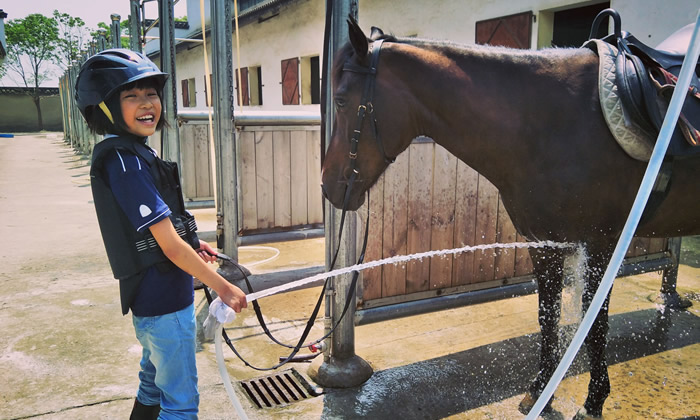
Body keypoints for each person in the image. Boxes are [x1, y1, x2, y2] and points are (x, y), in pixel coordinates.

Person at [74, 49, 247, 420]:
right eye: (130, 96)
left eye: (150, 93)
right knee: (181, 404)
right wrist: (223, 286)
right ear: (104, 107)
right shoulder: (124, 163)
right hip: (164, 305)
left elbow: (164, 235)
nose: (146, 104)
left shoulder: (134, 154)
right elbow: (168, 246)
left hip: (158, 300)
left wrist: (192, 242)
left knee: (153, 383)